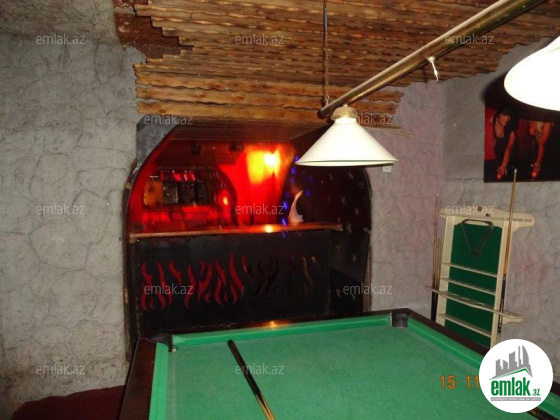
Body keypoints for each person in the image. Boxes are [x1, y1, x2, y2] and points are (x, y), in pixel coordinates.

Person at [492, 107, 517, 181]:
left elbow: (509, 148)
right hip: (499, 153)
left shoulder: (510, 126)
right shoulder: (493, 120)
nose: (506, 119)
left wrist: (503, 166)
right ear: (498, 115)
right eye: (504, 115)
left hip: (511, 153)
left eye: (509, 116)